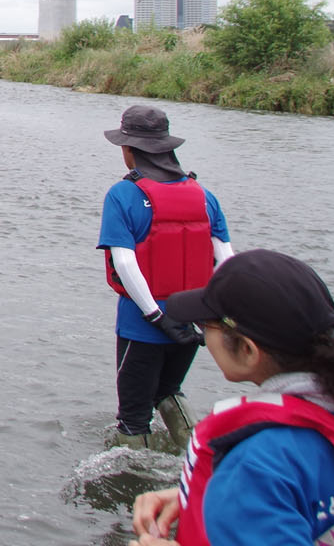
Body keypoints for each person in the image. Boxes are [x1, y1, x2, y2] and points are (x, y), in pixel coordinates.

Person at [130, 250, 334, 546]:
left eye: (204, 325)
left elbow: (268, 478)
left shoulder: (254, 465)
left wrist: (237, 494)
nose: (202, 335)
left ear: (248, 351)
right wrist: (212, 497)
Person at [98, 105, 233, 451]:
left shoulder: (124, 194)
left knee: (133, 413)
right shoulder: (205, 195)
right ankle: (197, 460)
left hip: (142, 324)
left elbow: (125, 264)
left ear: (129, 150)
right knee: (168, 390)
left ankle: (136, 483)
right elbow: (227, 260)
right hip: (193, 321)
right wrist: (212, 315)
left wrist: (155, 316)